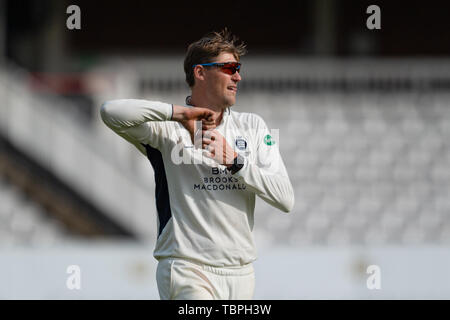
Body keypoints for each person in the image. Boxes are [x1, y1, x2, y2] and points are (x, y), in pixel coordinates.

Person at [100, 29, 294, 300]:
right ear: (200, 73)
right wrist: (180, 114)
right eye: (229, 68)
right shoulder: (166, 131)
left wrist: (235, 162)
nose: (238, 76)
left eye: (238, 69)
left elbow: (285, 199)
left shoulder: (253, 126)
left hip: (241, 273)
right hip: (187, 268)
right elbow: (110, 112)